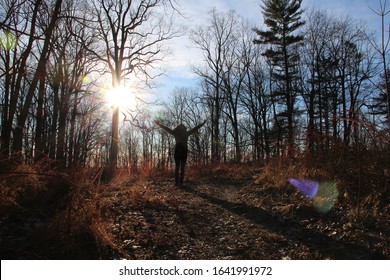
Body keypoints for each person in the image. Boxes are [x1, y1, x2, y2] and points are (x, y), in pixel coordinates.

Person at [155, 120, 207, 186]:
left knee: (177, 167)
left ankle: (177, 183)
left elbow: (167, 129)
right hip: (184, 151)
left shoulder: (175, 133)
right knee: (182, 167)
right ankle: (180, 183)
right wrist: (202, 123)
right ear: (184, 128)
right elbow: (195, 128)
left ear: (177, 128)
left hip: (178, 150)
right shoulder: (186, 133)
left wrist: (159, 124)